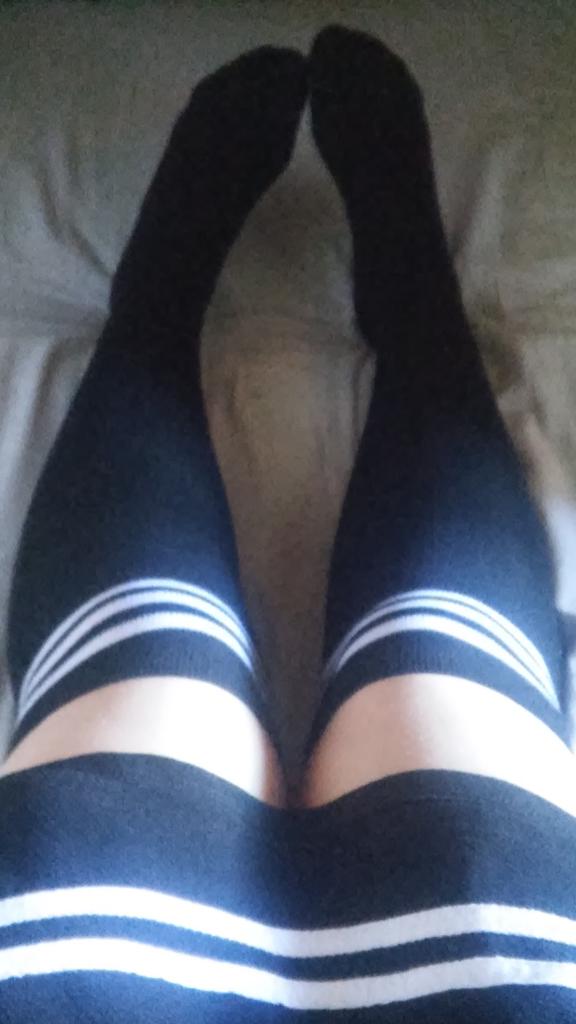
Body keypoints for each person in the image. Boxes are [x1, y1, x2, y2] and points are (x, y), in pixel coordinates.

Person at [1, 24, 576, 1021]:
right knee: (443, 700)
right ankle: (413, 305)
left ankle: (156, 307)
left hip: (96, 949)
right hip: (488, 956)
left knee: (146, 694)